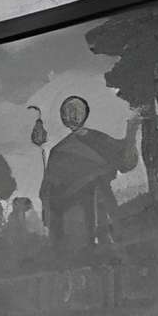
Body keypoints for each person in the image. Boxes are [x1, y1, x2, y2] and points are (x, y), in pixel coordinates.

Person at [39, 94, 141, 258]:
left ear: (85, 113)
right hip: (74, 215)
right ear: (63, 117)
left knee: (110, 253)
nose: (73, 116)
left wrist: (130, 137)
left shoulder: (99, 139)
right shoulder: (59, 151)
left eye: (77, 111)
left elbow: (125, 162)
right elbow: (50, 188)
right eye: (68, 112)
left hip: (103, 205)